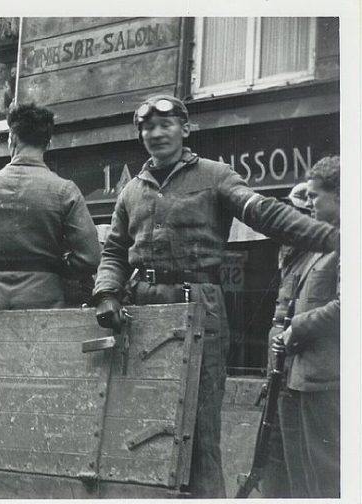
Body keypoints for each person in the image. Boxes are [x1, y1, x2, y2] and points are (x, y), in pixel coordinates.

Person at [92, 95, 340, 498]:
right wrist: (107, 294)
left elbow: (264, 213)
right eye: (147, 127)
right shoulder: (130, 193)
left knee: (199, 426)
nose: (156, 134)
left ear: (185, 129)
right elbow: (115, 252)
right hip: (142, 311)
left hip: (199, 309)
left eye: (166, 124)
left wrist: (333, 238)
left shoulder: (216, 175)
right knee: (141, 420)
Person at [0, 102, 100, 320]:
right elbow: (89, 257)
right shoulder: (65, 191)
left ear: (12, 138)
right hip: (45, 303)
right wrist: (57, 270)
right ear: (48, 143)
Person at [271, 156, 340, 498]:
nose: (309, 202)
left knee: (327, 474)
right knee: (302, 473)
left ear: (340, 195)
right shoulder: (321, 244)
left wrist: (295, 328)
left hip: (328, 379)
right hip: (301, 376)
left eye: (315, 197)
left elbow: (347, 305)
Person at [262, 182, 314, 498]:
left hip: (299, 371)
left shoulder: (319, 255)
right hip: (278, 370)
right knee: (274, 453)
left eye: (294, 213)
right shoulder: (289, 254)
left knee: (298, 459)